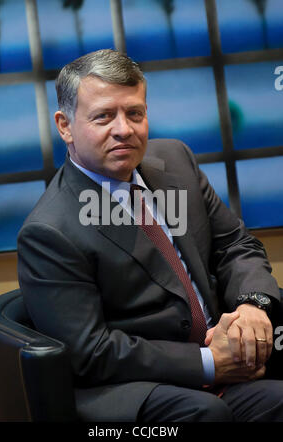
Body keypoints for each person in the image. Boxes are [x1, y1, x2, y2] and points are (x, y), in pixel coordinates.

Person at [17, 49, 283, 422]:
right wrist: (208, 362)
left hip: (226, 362)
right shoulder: (49, 231)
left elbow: (234, 246)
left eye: (134, 113)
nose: (123, 129)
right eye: (104, 116)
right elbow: (91, 352)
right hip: (139, 385)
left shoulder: (176, 160)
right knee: (205, 414)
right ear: (65, 125)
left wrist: (253, 306)